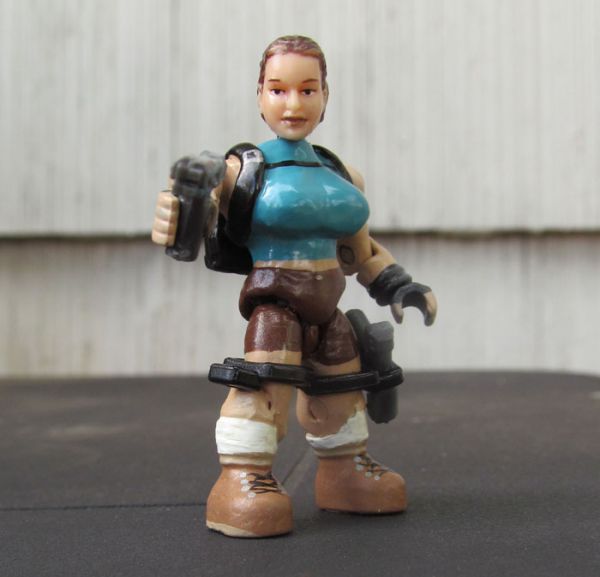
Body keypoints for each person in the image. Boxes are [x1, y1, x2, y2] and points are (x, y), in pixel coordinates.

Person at [152, 35, 437, 538]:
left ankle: (344, 470)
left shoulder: (340, 172)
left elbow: (361, 250)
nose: (293, 104)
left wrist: (399, 286)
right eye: (278, 89)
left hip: (329, 305)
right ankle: (241, 479)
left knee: (341, 389)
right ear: (260, 95)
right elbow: (191, 217)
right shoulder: (241, 171)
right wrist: (176, 215)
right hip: (276, 302)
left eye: (308, 90)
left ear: (326, 96)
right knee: (264, 385)